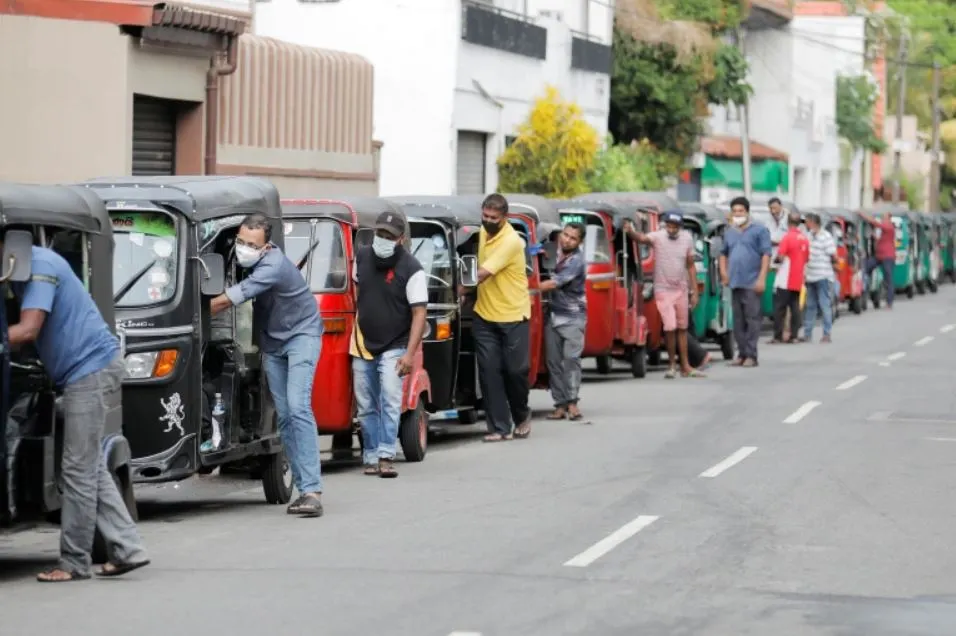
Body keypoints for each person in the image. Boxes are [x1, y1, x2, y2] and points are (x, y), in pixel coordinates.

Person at [5, 241, 148, 582]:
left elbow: (28, 329)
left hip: (89, 369)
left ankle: (74, 562)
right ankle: (128, 548)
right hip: (86, 369)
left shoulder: (41, 266)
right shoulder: (21, 267)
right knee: (90, 466)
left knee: (78, 469)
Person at [211, 213, 325, 517]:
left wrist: (186, 314)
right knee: (285, 416)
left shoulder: (272, 265)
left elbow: (226, 301)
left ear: (266, 247)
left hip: (302, 335)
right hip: (273, 343)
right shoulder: (238, 258)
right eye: (241, 241)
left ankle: (312, 491)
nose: (245, 248)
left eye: (252, 245)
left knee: (299, 407)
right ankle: (304, 490)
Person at [350, 211, 428, 478]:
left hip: (396, 343)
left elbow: (419, 313)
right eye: (379, 234)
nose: (382, 239)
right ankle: (370, 455)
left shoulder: (412, 268)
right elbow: (358, 291)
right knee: (365, 404)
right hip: (362, 343)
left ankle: (385, 455)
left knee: (390, 399)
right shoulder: (361, 256)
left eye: (388, 236)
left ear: (400, 239)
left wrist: (409, 354)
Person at [471, 194, 533, 442]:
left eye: (493, 218)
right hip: (484, 314)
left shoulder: (511, 241)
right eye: (485, 216)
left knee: (515, 371)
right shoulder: (482, 234)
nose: (487, 221)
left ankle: (521, 415)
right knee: (489, 372)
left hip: (513, 314)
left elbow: (482, 274)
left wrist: (460, 287)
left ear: (505, 218)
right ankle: (498, 427)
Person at [625, 211, 703, 379]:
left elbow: (690, 266)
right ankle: (672, 366)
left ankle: (685, 366)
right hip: (663, 289)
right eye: (669, 225)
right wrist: (630, 231)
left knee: (682, 328)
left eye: (675, 226)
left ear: (680, 227)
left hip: (681, 289)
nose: (672, 229)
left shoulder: (687, 239)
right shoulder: (658, 237)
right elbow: (642, 239)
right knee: (670, 327)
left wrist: (694, 291)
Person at [539, 222, 587, 421]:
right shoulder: (552, 251)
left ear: (579, 241)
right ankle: (559, 404)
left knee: (571, 361)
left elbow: (554, 282)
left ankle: (572, 403)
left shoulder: (577, 261)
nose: (567, 239)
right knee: (553, 363)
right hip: (552, 315)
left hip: (573, 317)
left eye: (572, 237)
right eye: (565, 235)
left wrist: (526, 288)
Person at [719, 196, 771, 367]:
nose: (738, 214)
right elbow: (723, 254)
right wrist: (724, 273)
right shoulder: (729, 232)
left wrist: (762, 278)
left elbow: (766, 255)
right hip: (735, 281)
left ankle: (751, 355)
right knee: (738, 320)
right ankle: (741, 354)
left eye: (741, 211)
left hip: (752, 281)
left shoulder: (759, 231)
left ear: (747, 212)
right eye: (734, 211)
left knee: (752, 319)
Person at [770, 211, 810, 344]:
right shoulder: (804, 239)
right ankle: (794, 335)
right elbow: (807, 258)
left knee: (779, 308)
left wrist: (775, 261)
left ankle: (778, 336)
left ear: (787, 223)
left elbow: (780, 256)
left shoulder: (787, 238)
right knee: (795, 308)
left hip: (784, 279)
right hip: (798, 279)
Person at [802, 212, 838, 343]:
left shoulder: (826, 236)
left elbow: (833, 255)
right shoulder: (808, 236)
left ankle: (827, 334)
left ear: (812, 222)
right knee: (810, 306)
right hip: (810, 276)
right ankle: (807, 334)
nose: (805, 224)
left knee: (824, 305)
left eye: (807, 221)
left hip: (823, 276)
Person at [859, 209, 895, 310]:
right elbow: (883, 239)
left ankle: (889, 302)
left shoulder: (889, 226)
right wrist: (875, 238)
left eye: (884, 216)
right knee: (865, 267)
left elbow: (875, 223)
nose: (883, 218)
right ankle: (865, 290)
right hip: (879, 256)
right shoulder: (886, 229)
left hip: (887, 257)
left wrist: (863, 214)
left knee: (889, 279)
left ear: (888, 218)